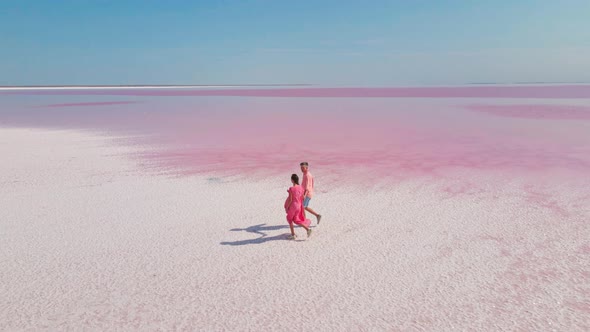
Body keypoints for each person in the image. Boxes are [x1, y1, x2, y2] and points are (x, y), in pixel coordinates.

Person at [284, 174, 312, 240]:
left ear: (292, 180)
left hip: (293, 206)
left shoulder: (291, 188)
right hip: (299, 206)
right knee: (296, 220)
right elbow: (302, 197)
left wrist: (287, 207)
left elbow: (291, 200)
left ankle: (293, 234)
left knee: (289, 219)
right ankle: (308, 229)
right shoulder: (301, 187)